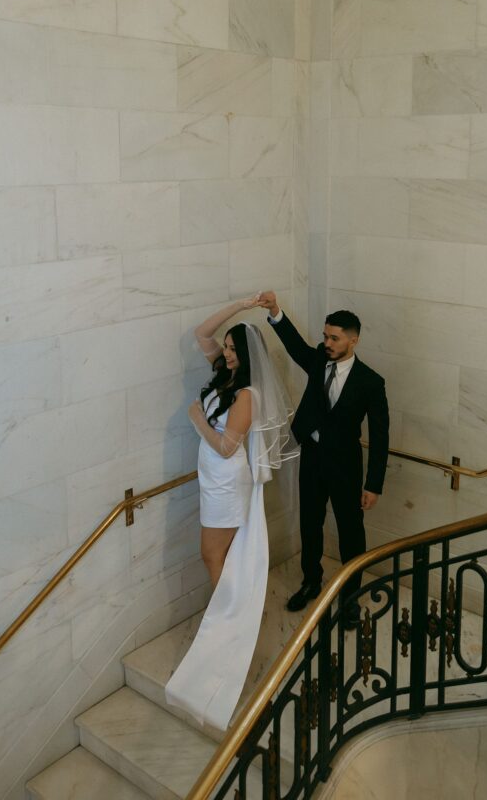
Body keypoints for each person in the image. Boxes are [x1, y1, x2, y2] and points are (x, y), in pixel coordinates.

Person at [165, 297, 298, 730]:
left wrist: (196, 419)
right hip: (211, 479)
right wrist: (242, 305)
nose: (225, 353)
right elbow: (199, 333)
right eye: (225, 348)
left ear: (247, 356)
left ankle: (229, 621)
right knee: (215, 555)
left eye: (233, 350)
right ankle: (231, 614)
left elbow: (228, 445)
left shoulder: (247, 394)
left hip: (226, 480)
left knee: (211, 553)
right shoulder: (222, 375)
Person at [258, 291, 389, 629]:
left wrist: (373, 485)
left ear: (353, 340)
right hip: (312, 458)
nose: (327, 342)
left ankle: (349, 599)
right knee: (310, 523)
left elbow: (380, 437)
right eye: (325, 336)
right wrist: (275, 312)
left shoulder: (371, 383)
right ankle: (311, 581)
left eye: (334, 338)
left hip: (346, 467)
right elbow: (295, 346)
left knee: (351, 533)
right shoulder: (318, 359)